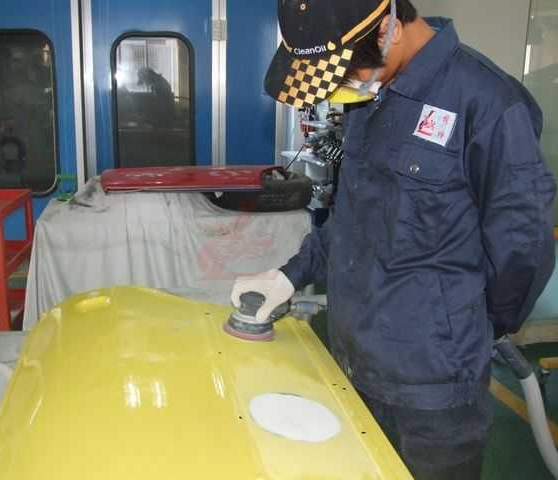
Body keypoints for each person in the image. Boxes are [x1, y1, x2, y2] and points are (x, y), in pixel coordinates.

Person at [231, 1, 557, 478]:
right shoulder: (370, 96)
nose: (342, 88)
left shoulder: (488, 104)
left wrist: (462, 327)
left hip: (433, 392)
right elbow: (354, 217)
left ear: (389, 28)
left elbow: (522, 249)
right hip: (351, 362)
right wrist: (289, 275)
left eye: (347, 72)